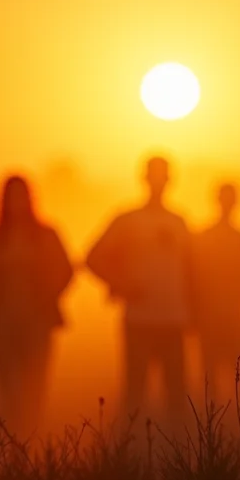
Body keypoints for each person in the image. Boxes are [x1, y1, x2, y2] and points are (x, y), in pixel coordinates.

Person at [86, 156, 194, 424]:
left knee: (177, 398)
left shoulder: (180, 222)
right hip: (139, 320)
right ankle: (128, 456)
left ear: (170, 180)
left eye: (163, 175)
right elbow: (93, 258)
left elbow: (192, 271)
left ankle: (177, 457)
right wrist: (122, 286)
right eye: (153, 175)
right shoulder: (127, 220)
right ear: (144, 179)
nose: (158, 181)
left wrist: (195, 312)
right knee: (134, 395)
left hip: (174, 320)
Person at [0, 176, 74, 434]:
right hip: (3, 323)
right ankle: (13, 448)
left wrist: (49, 294)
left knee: (35, 389)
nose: (16, 202)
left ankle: (32, 445)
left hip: (37, 323)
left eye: (21, 196)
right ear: (3, 201)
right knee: (8, 391)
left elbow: (67, 269)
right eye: (11, 197)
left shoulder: (46, 234)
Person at [190, 183, 240, 410]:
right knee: (213, 380)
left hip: (229, 317)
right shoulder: (205, 238)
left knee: (239, 377)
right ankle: (217, 431)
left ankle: (239, 426)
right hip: (210, 317)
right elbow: (193, 280)